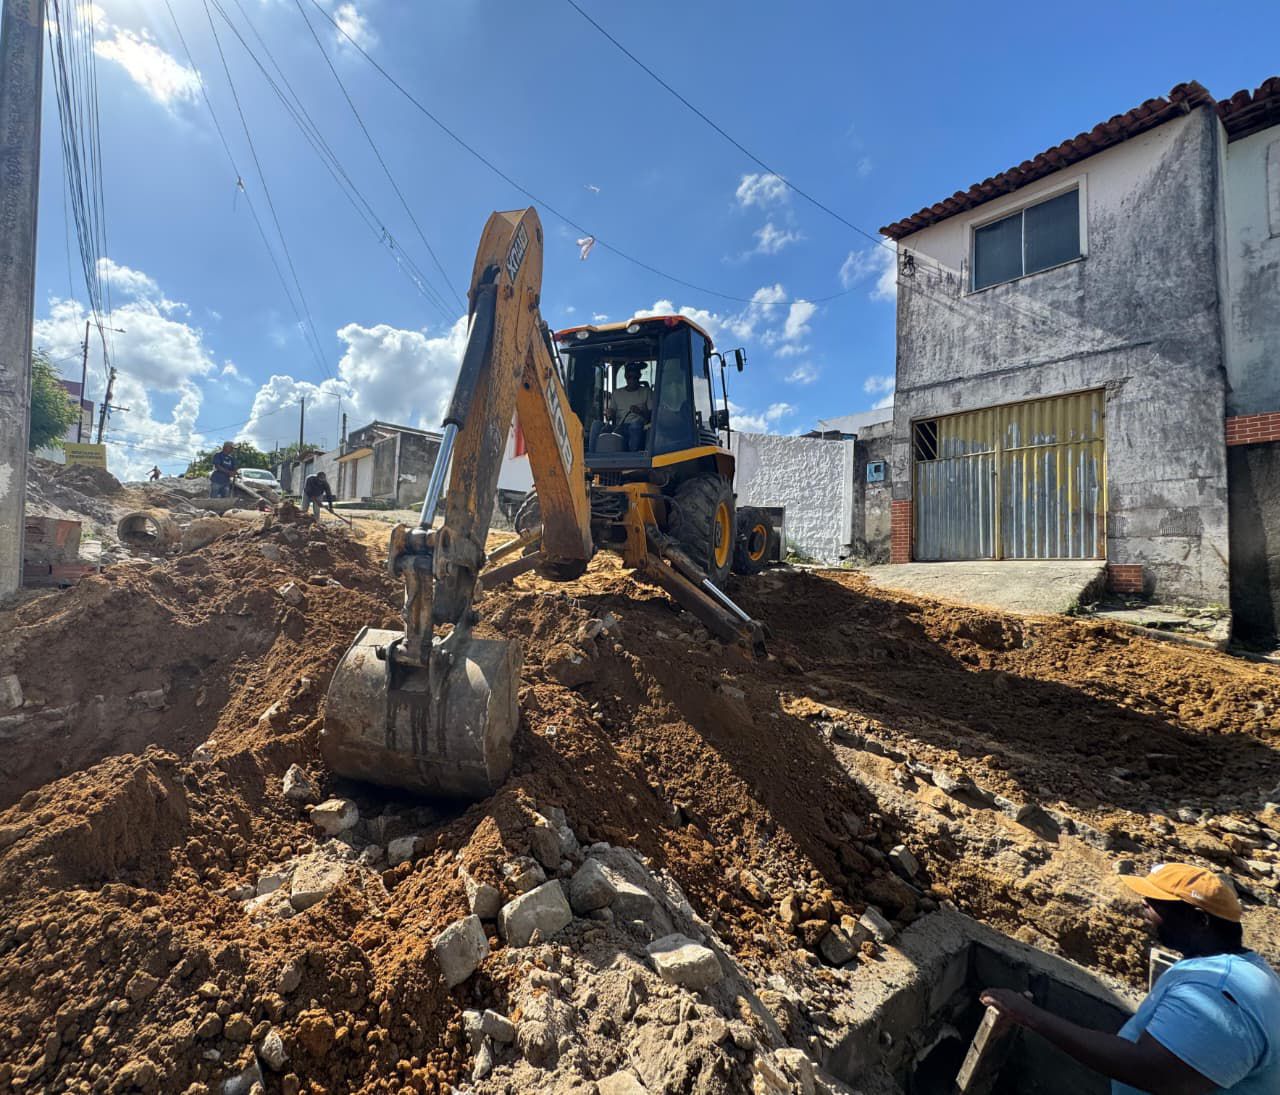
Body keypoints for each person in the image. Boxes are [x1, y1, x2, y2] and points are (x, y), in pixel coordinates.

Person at [982, 863, 1280, 1093]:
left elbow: (1154, 1073)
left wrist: (1029, 1015)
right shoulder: (1234, 967)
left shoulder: (1220, 994)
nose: (1144, 905)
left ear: (1200, 920)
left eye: (1156, 903)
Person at [609, 361, 651, 451]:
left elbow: (652, 416)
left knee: (635, 426)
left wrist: (639, 412)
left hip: (640, 428)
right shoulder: (617, 393)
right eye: (629, 377)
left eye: (634, 377)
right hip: (620, 426)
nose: (632, 380)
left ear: (639, 377)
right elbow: (611, 413)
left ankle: (632, 455)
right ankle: (589, 456)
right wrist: (609, 413)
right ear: (625, 377)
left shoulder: (646, 392)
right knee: (596, 425)